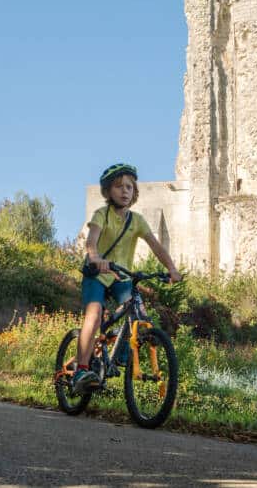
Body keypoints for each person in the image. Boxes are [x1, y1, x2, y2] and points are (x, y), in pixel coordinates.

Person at [73, 163, 181, 393]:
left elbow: (157, 247)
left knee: (139, 312)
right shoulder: (102, 215)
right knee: (94, 314)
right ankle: (81, 369)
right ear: (108, 191)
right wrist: (96, 258)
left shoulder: (138, 221)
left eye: (129, 187)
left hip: (121, 277)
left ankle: (121, 355)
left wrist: (171, 268)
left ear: (134, 192)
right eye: (119, 186)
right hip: (98, 274)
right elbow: (91, 242)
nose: (124, 191)